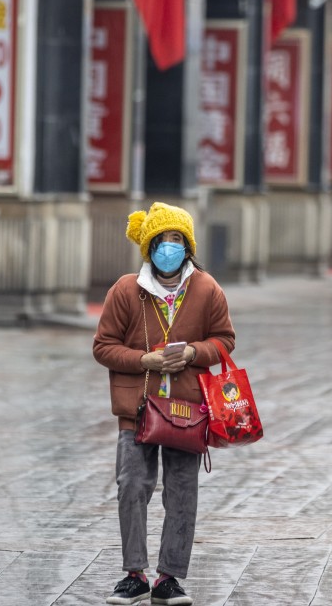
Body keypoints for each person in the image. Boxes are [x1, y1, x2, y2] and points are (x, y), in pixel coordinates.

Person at [93, 202, 235, 606]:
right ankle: (133, 575)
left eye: (177, 240)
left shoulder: (207, 289)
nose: (169, 248)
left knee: (182, 492)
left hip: (188, 409)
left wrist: (192, 352)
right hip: (135, 408)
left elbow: (225, 340)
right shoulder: (126, 290)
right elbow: (103, 346)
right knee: (131, 486)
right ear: (150, 245)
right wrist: (143, 360)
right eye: (162, 240)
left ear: (187, 246)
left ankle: (169, 578)